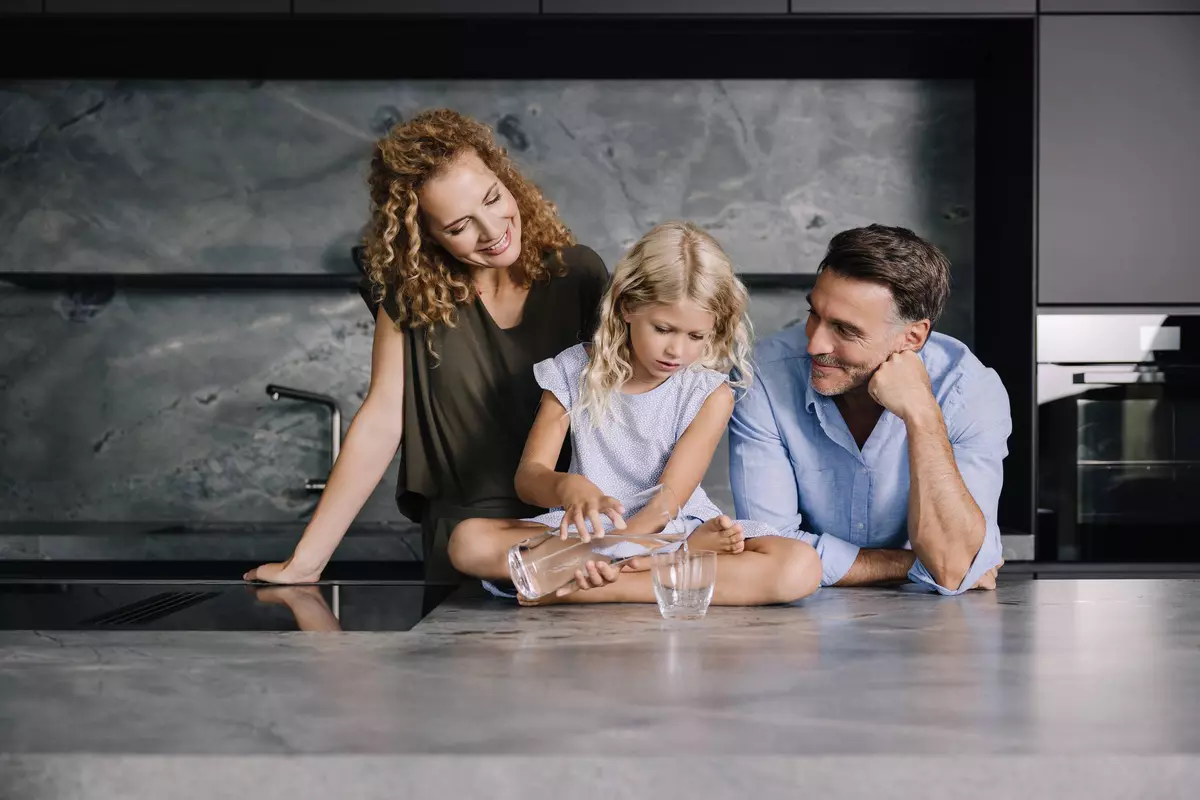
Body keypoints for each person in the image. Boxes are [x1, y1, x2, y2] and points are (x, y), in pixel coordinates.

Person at [244, 108, 609, 585]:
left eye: (494, 198)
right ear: (427, 236)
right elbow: (381, 419)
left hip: (572, 533)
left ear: (506, 179)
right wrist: (307, 562)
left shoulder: (578, 273)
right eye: (459, 227)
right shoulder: (410, 293)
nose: (493, 230)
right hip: (465, 541)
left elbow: (631, 401)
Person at [448, 220, 822, 606]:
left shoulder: (710, 393)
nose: (677, 350)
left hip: (670, 525)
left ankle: (578, 587)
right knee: (467, 542)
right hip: (587, 534)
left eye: (696, 336)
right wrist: (566, 487)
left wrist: (637, 545)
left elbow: (668, 500)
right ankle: (674, 566)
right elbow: (529, 478)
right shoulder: (571, 371)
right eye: (663, 329)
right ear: (628, 306)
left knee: (800, 565)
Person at [728, 223, 1009, 596]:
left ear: (912, 338)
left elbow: (953, 567)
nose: (814, 344)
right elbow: (768, 545)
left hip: (932, 634)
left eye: (845, 330)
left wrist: (922, 415)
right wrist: (911, 564)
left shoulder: (969, 389)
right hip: (799, 623)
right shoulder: (763, 375)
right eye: (815, 315)